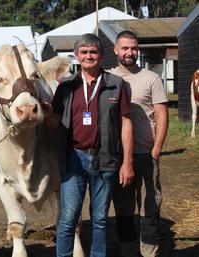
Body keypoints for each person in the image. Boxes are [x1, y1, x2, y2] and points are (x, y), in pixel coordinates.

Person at [44, 33, 134, 257]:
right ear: (76, 55)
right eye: (84, 52)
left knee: (100, 219)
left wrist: (128, 163)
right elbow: (55, 123)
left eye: (93, 52)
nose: (88, 56)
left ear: (101, 55)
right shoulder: (66, 87)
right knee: (68, 218)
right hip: (74, 159)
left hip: (106, 159)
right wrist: (46, 114)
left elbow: (125, 123)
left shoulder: (116, 84)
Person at [110, 30, 169, 257]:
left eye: (133, 48)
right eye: (125, 48)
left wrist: (156, 150)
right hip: (118, 155)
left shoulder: (150, 78)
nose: (129, 52)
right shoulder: (108, 78)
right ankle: (127, 252)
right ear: (116, 50)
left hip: (145, 153)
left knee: (149, 209)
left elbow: (162, 115)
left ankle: (149, 253)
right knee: (123, 210)